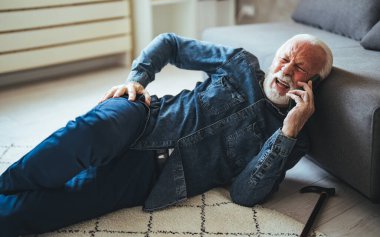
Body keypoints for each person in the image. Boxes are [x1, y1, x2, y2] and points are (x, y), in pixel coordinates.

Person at [0, 33, 333, 236]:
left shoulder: (294, 139)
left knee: (34, 213)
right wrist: (138, 78)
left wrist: (287, 131)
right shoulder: (240, 63)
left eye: (301, 68)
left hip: (154, 175)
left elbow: (245, 195)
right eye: (284, 59)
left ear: (313, 83)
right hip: (141, 116)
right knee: (85, 136)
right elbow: (171, 44)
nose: (286, 71)